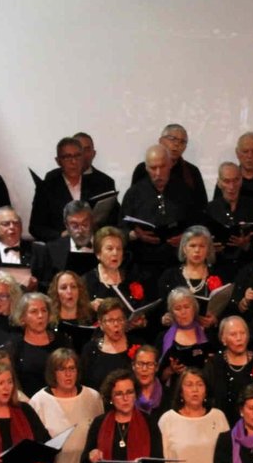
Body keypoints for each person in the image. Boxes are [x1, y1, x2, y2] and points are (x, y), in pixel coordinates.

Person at [29, 348, 103, 463]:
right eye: (62, 369)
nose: (68, 374)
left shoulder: (92, 397)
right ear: (53, 373)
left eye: (72, 369)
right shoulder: (39, 401)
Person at [122, 143, 200, 281]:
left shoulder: (184, 191)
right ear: (146, 168)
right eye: (153, 168)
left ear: (170, 164)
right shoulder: (134, 194)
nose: (158, 173)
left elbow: (196, 224)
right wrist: (136, 234)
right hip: (143, 267)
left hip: (177, 265)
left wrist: (185, 237)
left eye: (162, 166)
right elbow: (121, 228)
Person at [31, 137, 95, 242]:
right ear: (58, 161)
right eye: (67, 157)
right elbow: (36, 227)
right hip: (61, 250)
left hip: (93, 248)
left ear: (83, 158)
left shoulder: (98, 184)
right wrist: (60, 235)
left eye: (77, 156)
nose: (73, 161)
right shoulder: (46, 189)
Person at [8, 291, 67, 398]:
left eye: (44, 310)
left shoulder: (62, 342)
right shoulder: (14, 348)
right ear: (22, 318)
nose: (40, 316)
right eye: (34, 311)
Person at [81, 297, 139, 392]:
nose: (116, 324)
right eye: (110, 320)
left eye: (120, 319)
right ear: (101, 324)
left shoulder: (137, 345)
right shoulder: (90, 350)